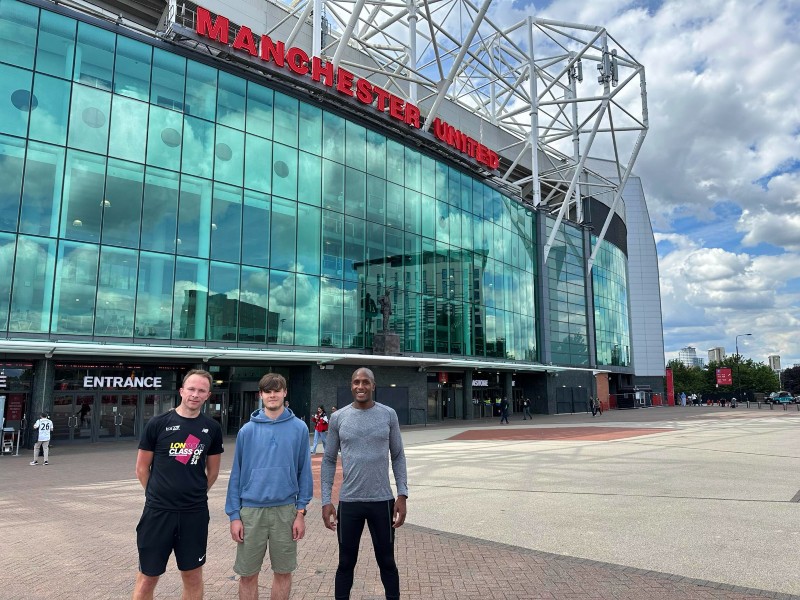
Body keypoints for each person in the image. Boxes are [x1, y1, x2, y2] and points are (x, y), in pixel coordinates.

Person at [132, 369, 224, 600]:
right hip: (158, 513)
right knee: (147, 578)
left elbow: (212, 471)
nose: (195, 394)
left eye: (201, 390)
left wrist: (194, 494)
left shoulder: (211, 428)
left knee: (192, 576)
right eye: (191, 389)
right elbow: (142, 468)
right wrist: (156, 494)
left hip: (194, 513)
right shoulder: (158, 423)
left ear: (207, 395)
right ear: (182, 391)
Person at [321, 367, 408, 600]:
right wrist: (326, 500)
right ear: (351, 385)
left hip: (382, 501)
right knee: (345, 563)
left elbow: (398, 455)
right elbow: (328, 460)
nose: (361, 386)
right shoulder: (339, 418)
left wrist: (402, 494)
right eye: (356, 382)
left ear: (373, 385)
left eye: (365, 382)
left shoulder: (388, 415)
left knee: (387, 562)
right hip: (349, 503)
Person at [225, 373, 312, 600]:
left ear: (284, 393)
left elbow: (304, 473)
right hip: (251, 512)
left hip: (286, 510)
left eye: (277, 390)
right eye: (267, 391)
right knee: (247, 574)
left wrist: (300, 511)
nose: (272, 395)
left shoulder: (299, 428)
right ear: (261, 395)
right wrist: (234, 515)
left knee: (283, 572)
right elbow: (237, 475)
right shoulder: (247, 431)